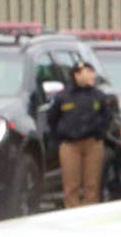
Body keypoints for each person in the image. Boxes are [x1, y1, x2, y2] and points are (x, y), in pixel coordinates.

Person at [44, 60, 116, 209]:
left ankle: (90, 213)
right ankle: (71, 212)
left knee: (92, 184)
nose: (92, 76)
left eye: (92, 72)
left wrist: (100, 133)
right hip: (70, 145)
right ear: (76, 75)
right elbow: (52, 118)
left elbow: (107, 116)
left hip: (92, 144)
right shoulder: (63, 97)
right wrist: (60, 136)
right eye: (87, 72)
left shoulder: (98, 96)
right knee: (71, 185)